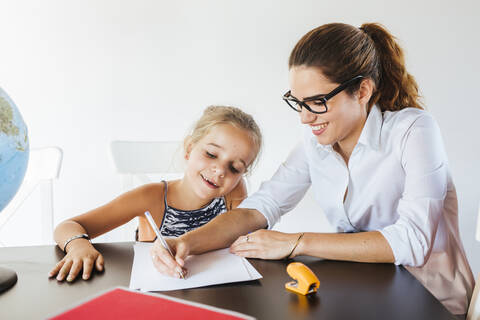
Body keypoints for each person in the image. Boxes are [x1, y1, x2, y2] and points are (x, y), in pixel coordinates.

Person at [151, 23, 474, 315]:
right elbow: (264, 205)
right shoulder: (314, 137)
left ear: (362, 91)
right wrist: (188, 242)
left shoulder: (413, 129)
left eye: (318, 102)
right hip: (363, 289)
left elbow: (412, 242)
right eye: (298, 102)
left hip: (431, 299)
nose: (305, 118)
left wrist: (297, 241)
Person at [48, 105, 262, 282]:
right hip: (156, 292)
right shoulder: (151, 197)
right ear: (189, 148)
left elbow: (242, 238)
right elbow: (68, 226)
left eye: (235, 168)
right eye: (211, 154)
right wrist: (78, 245)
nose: (221, 171)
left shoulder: (233, 191)